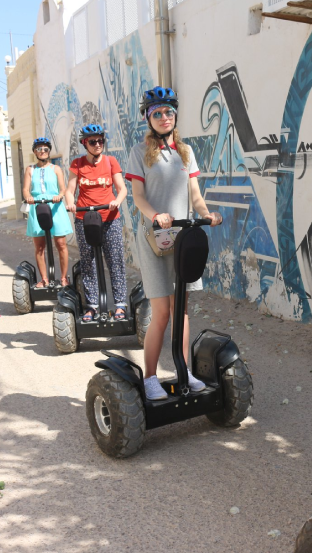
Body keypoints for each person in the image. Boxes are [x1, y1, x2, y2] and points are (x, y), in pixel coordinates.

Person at [125, 87, 223, 401]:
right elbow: (138, 198)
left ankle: (185, 373)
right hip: (154, 239)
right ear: (147, 118)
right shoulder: (138, 153)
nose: (164, 118)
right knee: (162, 312)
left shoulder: (186, 151)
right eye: (157, 113)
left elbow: (195, 195)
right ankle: (151, 377)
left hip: (182, 239)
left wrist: (207, 214)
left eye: (168, 112)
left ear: (175, 115)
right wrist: (157, 215)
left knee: (181, 311)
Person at [64, 124, 129, 322]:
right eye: (93, 141)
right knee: (88, 262)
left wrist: (117, 201)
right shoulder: (77, 164)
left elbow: (122, 188)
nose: (98, 144)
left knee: (115, 260)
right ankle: (91, 305)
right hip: (85, 218)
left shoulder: (111, 162)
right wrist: (70, 203)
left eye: (100, 140)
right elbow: (70, 189)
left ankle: (120, 305)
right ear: (85, 143)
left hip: (110, 219)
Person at [22, 137, 72, 286]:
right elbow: (25, 189)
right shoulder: (30, 169)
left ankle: (63, 277)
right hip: (37, 206)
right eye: (39, 149)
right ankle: (44, 279)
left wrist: (59, 196)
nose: (42, 152)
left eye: (45, 149)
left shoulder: (56, 169)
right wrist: (29, 197)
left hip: (55, 207)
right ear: (34, 152)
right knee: (40, 246)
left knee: (61, 243)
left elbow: (63, 189)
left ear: (49, 151)